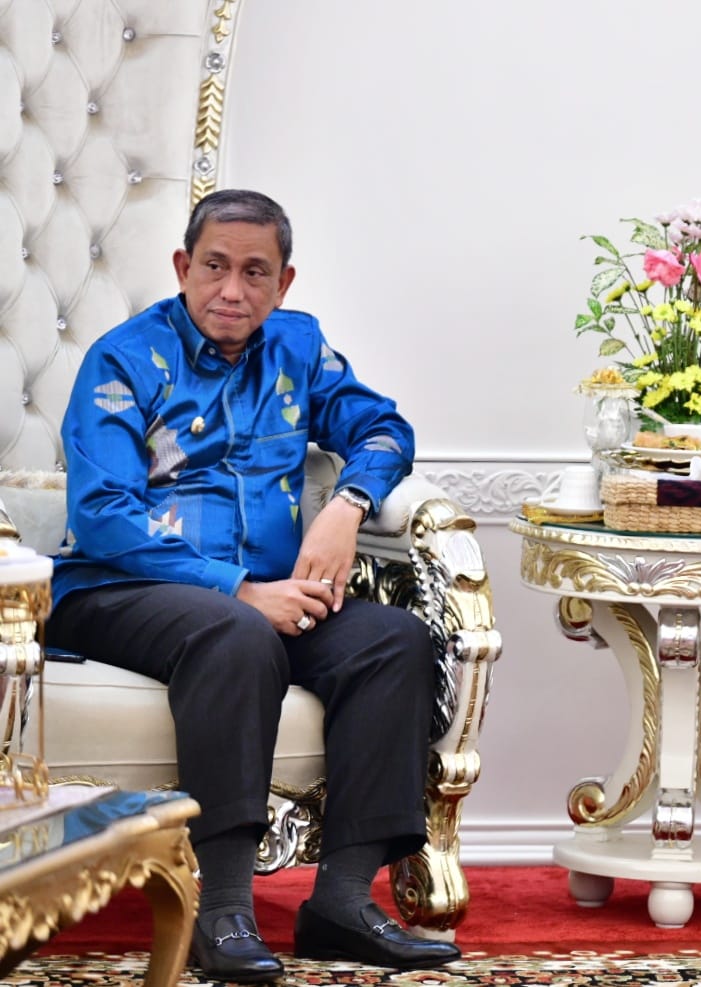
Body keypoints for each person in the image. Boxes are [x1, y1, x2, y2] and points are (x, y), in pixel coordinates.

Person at [47, 190, 460, 981]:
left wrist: (347, 503)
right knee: (236, 633)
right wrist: (238, 589)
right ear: (182, 267)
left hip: (261, 595)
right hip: (114, 591)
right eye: (214, 267)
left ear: (283, 282)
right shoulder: (123, 358)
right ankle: (223, 911)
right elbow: (102, 515)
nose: (231, 290)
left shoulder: (298, 348)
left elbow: (384, 429)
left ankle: (341, 902)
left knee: (394, 639)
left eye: (254, 272)